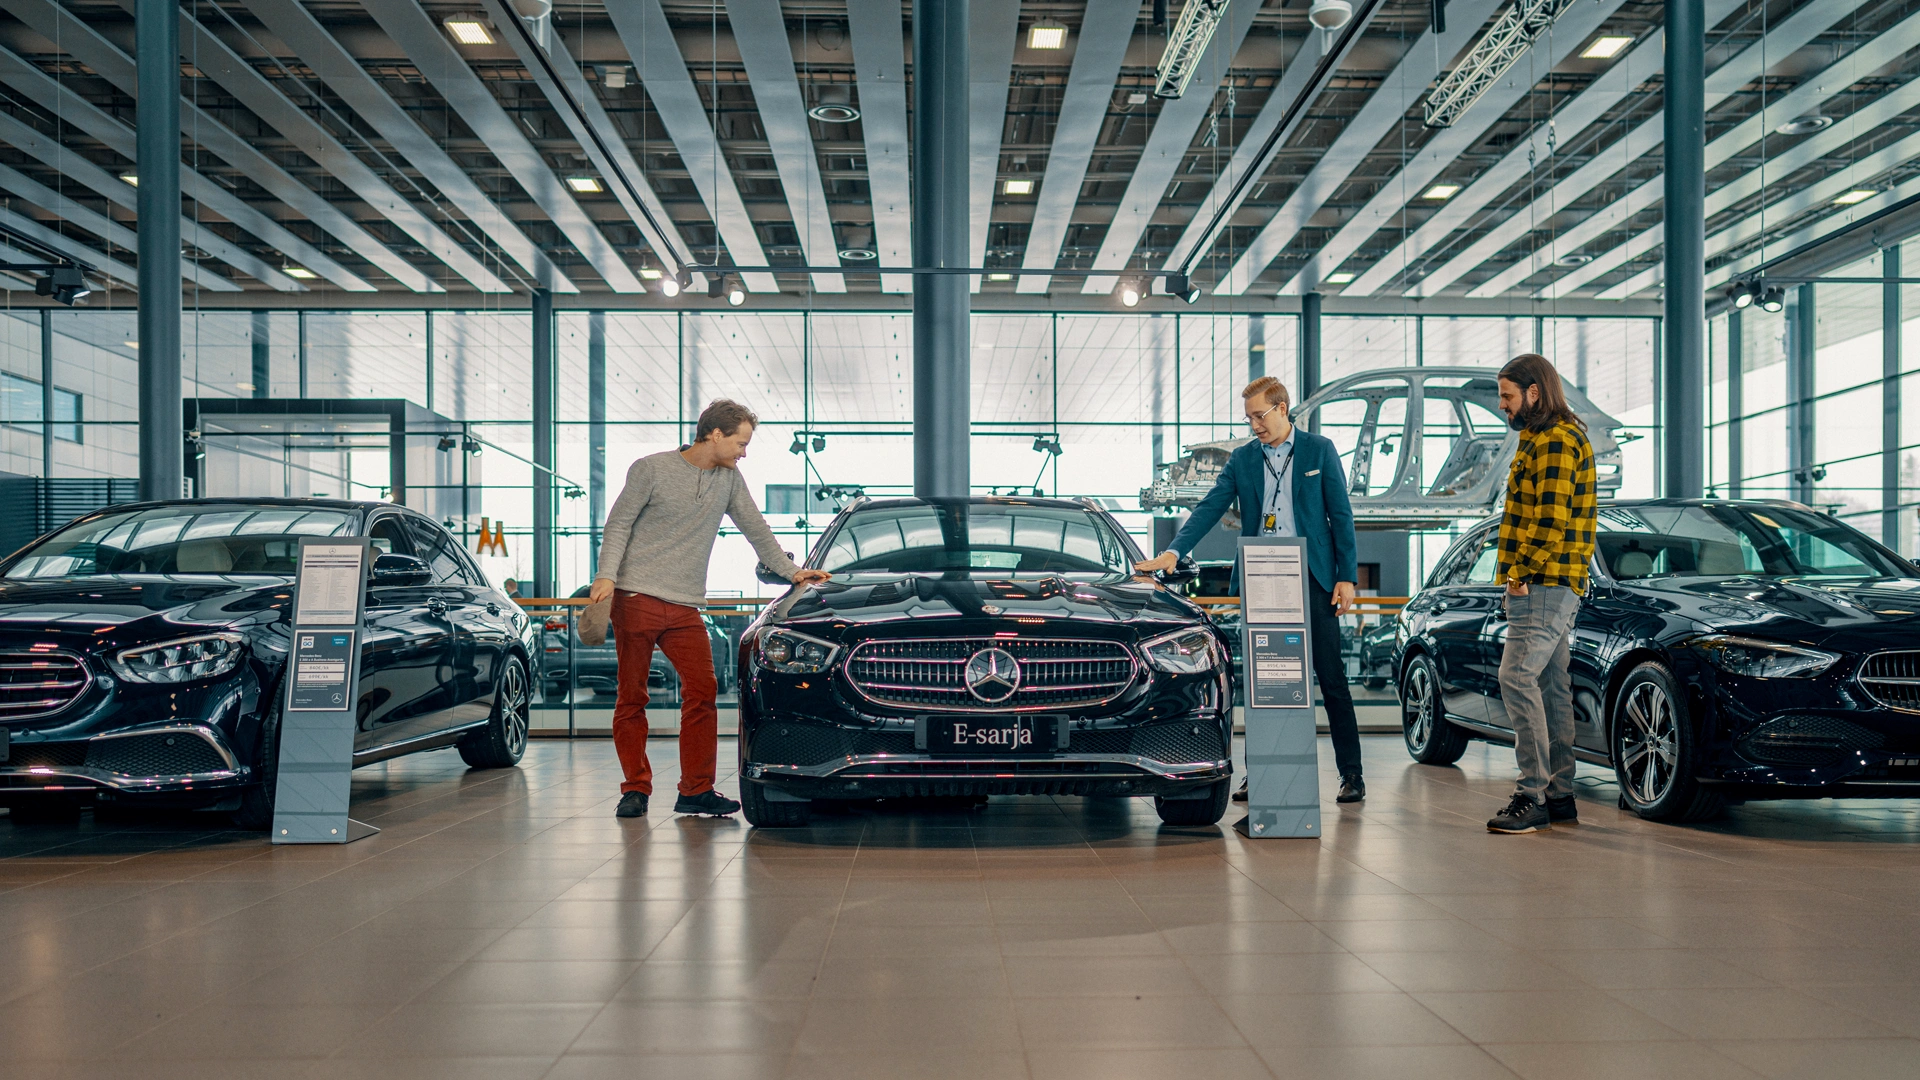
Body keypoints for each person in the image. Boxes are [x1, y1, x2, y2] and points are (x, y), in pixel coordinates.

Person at [591, 399, 831, 819]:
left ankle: (696, 790)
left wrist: (794, 572)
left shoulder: (729, 479)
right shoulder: (650, 468)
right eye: (741, 442)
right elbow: (618, 523)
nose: (744, 451)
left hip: (685, 605)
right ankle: (635, 789)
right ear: (715, 434)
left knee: (702, 692)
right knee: (633, 697)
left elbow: (756, 528)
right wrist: (606, 576)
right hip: (636, 597)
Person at [1135, 376, 1366, 804]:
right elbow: (1210, 507)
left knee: (1331, 678)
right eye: (1248, 418)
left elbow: (1341, 515)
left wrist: (1346, 576)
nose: (1255, 426)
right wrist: (1174, 551)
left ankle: (1351, 774)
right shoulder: (1243, 460)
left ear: (1282, 409)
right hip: (1264, 579)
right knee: (1264, 685)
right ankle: (1261, 773)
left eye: (1259, 416)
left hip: (1313, 578)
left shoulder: (1319, 451)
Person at [1485, 354, 1598, 834]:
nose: (1503, 407)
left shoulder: (1554, 441)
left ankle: (1531, 793)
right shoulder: (1546, 440)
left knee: (1515, 677)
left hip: (1544, 580)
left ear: (1534, 393)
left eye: (1508, 397)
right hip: (1549, 581)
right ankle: (1560, 795)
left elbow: (1549, 521)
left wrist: (1518, 571)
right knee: (1552, 687)